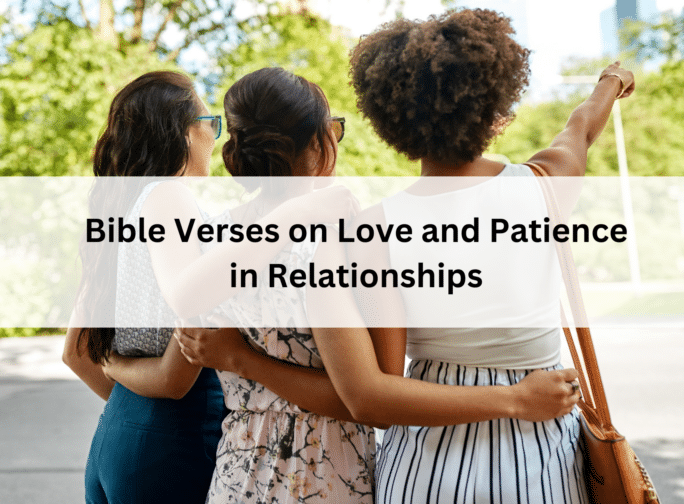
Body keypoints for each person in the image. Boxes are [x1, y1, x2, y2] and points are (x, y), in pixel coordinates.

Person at [175, 66, 590, 503]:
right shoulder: (322, 244)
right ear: (317, 144)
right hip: (318, 473)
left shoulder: (219, 235)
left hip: (239, 470)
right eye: (334, 128)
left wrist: (237, 358)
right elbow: (363, 396)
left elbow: (186, 301)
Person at [343, 9, 636, 504]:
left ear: (392, 119)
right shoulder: (545, 188)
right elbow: (580, 129)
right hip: (538, 453)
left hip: (425, 466)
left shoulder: (372, 230)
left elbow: (382, 392)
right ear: (493, 111)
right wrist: (612, 81)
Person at [63, 70, 360, 504]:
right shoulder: (170, 198)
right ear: (182, 133)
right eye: (211, 123)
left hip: (118, 433)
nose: (216, 138)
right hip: (175, 442)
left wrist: (128, 393)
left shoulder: (122, 213)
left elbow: (75, 352)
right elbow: (175, 375)